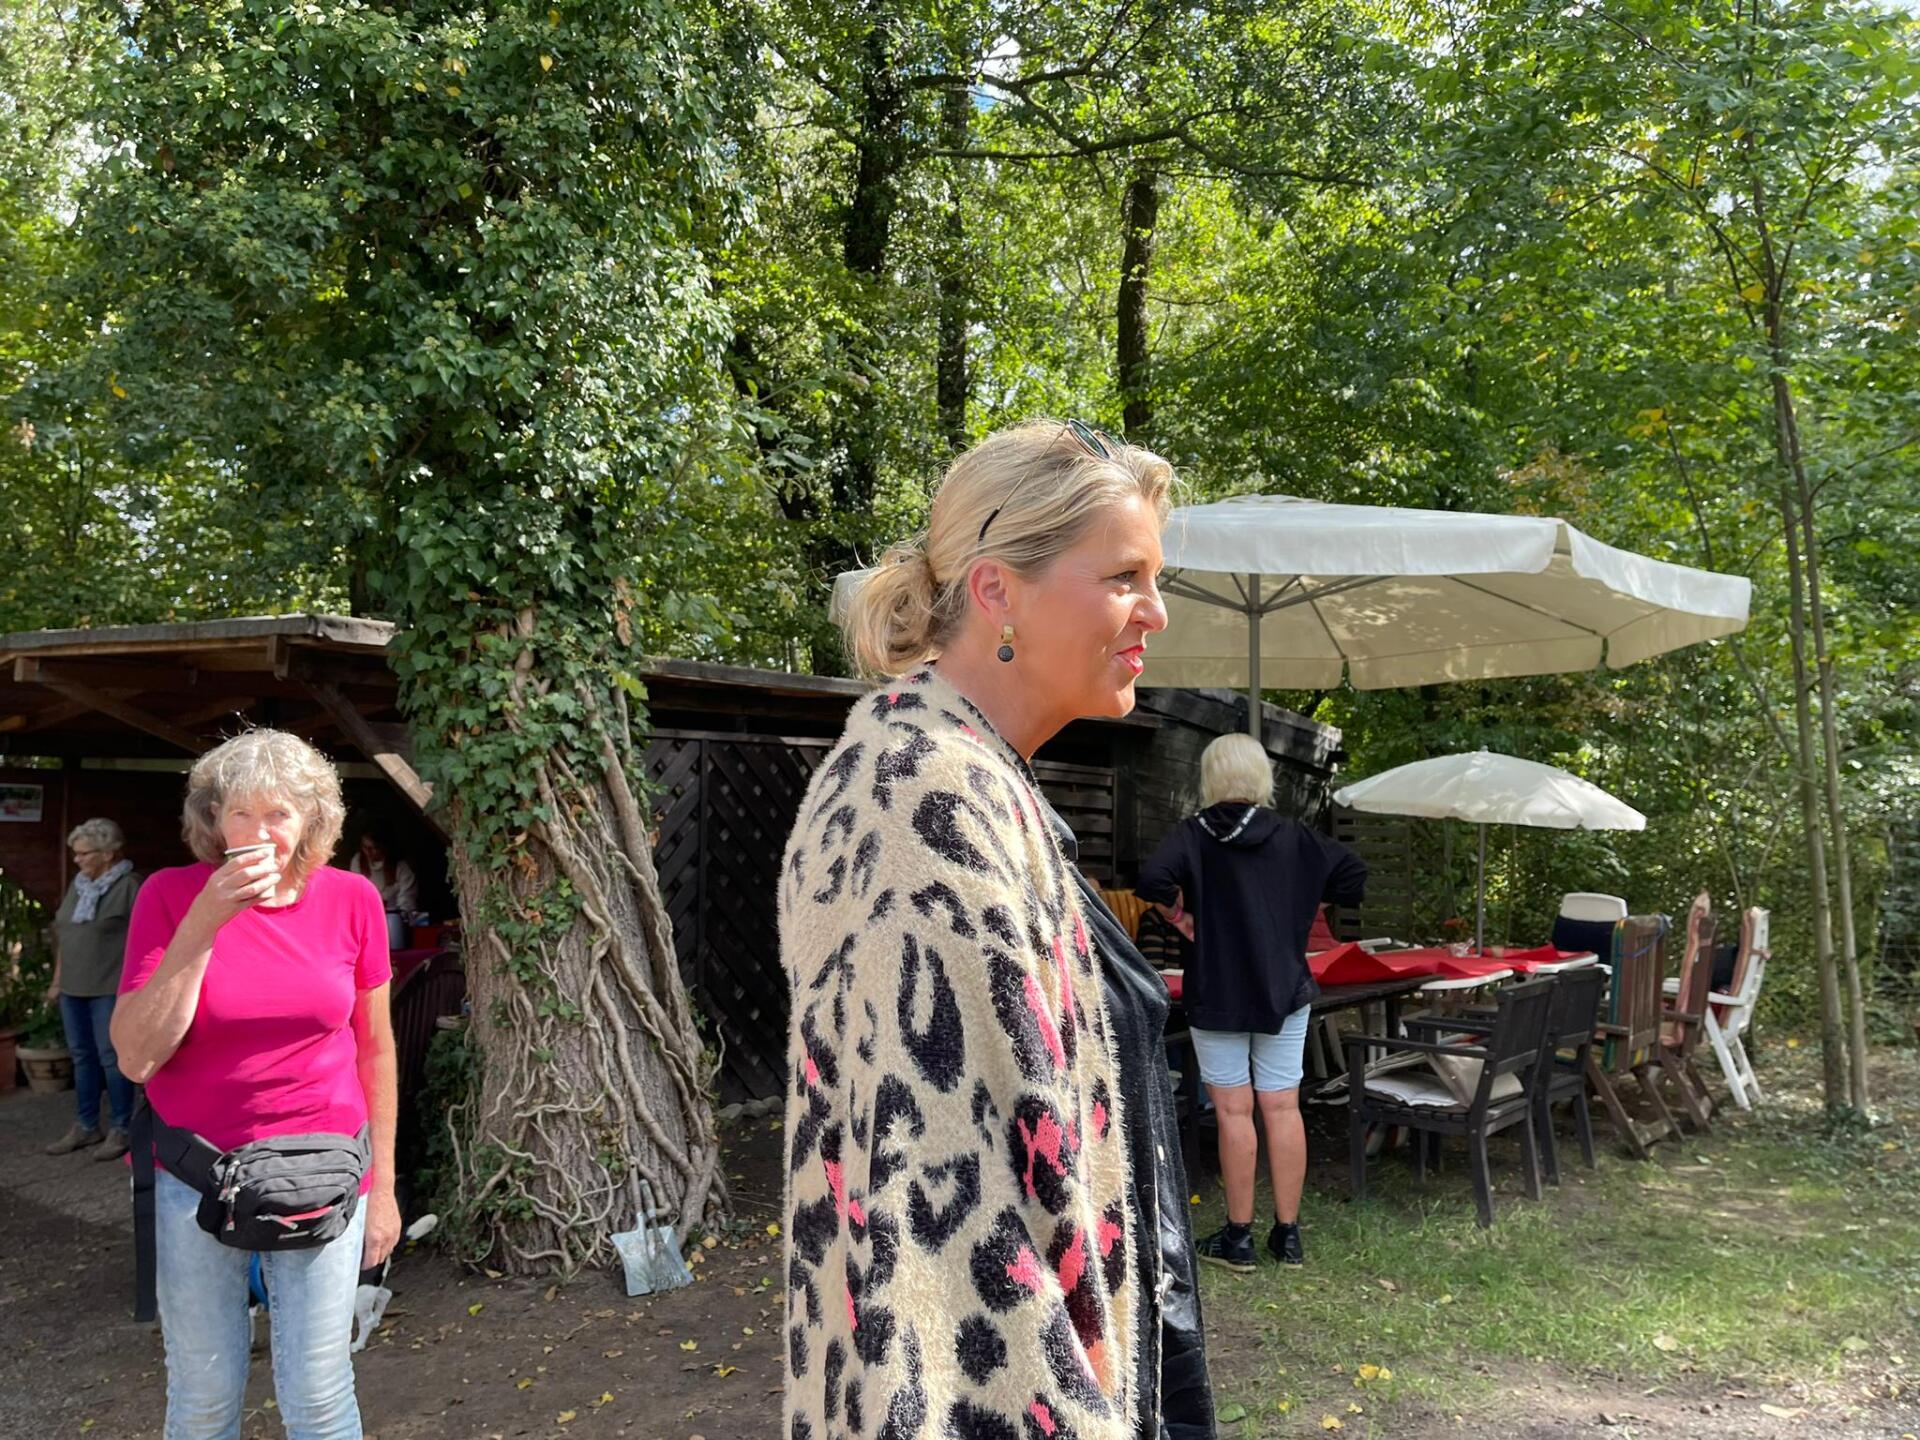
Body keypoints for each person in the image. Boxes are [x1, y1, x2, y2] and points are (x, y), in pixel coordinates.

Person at [781, 420, 1215, 1440]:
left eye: (1154, 580)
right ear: (997, 592)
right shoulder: (916, 802)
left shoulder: (976, 781)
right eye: (1124, 577)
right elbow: (942, 1265)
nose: (1155, 612)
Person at [112, 729, 400, 1440]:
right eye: (241, 812)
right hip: (197, 1177)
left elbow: (375, 1050)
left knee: (320, 1396)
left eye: (279, 813)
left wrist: (385, 1190)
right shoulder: (170, 895)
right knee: (205, 1397)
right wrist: (205, 923)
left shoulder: (353, 898)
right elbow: (137, 1058)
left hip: (323, 1176)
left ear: (311, 820)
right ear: (214, 819)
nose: (260, 832)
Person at [1135, 732, 1367, 1272]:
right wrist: (1293, 909)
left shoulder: (1194, 834)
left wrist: (1181, 918)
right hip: (1284, 989)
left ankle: (1238, 1238)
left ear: (1210, 777)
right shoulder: (1295, 836)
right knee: (1283, 1107)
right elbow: (1353, 875)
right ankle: (1288, 1236)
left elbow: (1152, 878)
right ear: (1263, 776)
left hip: (1217, 991)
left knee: (1233, 1111)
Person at [43, 817, 142, 1160]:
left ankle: (121, 1128)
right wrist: (57, 981)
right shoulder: (80, 885)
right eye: (76, 853)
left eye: (84, 853)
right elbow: (66, 935)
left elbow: (147, 937)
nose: (77, 859)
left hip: (109, 987)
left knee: (111, 1059)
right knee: (82, 1058)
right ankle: (86, 1126)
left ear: (108, 854)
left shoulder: (130, 886)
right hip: (73, 988)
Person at [348, 825, 419, 918]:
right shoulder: (358, 861)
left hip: (392, 917)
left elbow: (406, 902)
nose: (368, 852)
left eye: (374, 848)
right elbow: (355, 894)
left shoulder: (401, 866)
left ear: (385, 847)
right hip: (366, 915)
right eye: (365, 847)